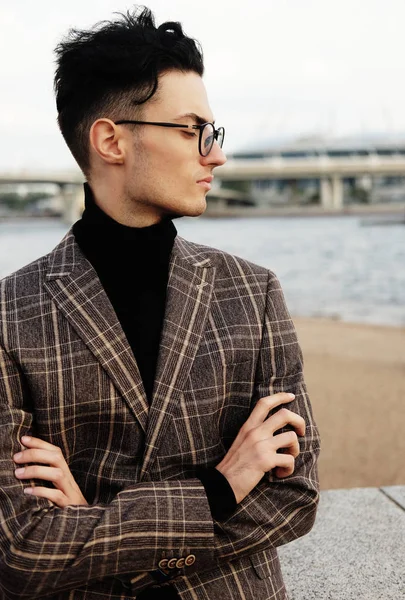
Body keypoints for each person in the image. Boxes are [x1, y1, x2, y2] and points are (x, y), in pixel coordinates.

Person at [0, 7, 320, 600]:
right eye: (191, 129)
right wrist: (219, 490)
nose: (215, 155)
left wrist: (97, 528)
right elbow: (19, 547)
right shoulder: (9, 314)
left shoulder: (252, 291)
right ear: (110, 140)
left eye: (213, 132)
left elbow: (294, 496)